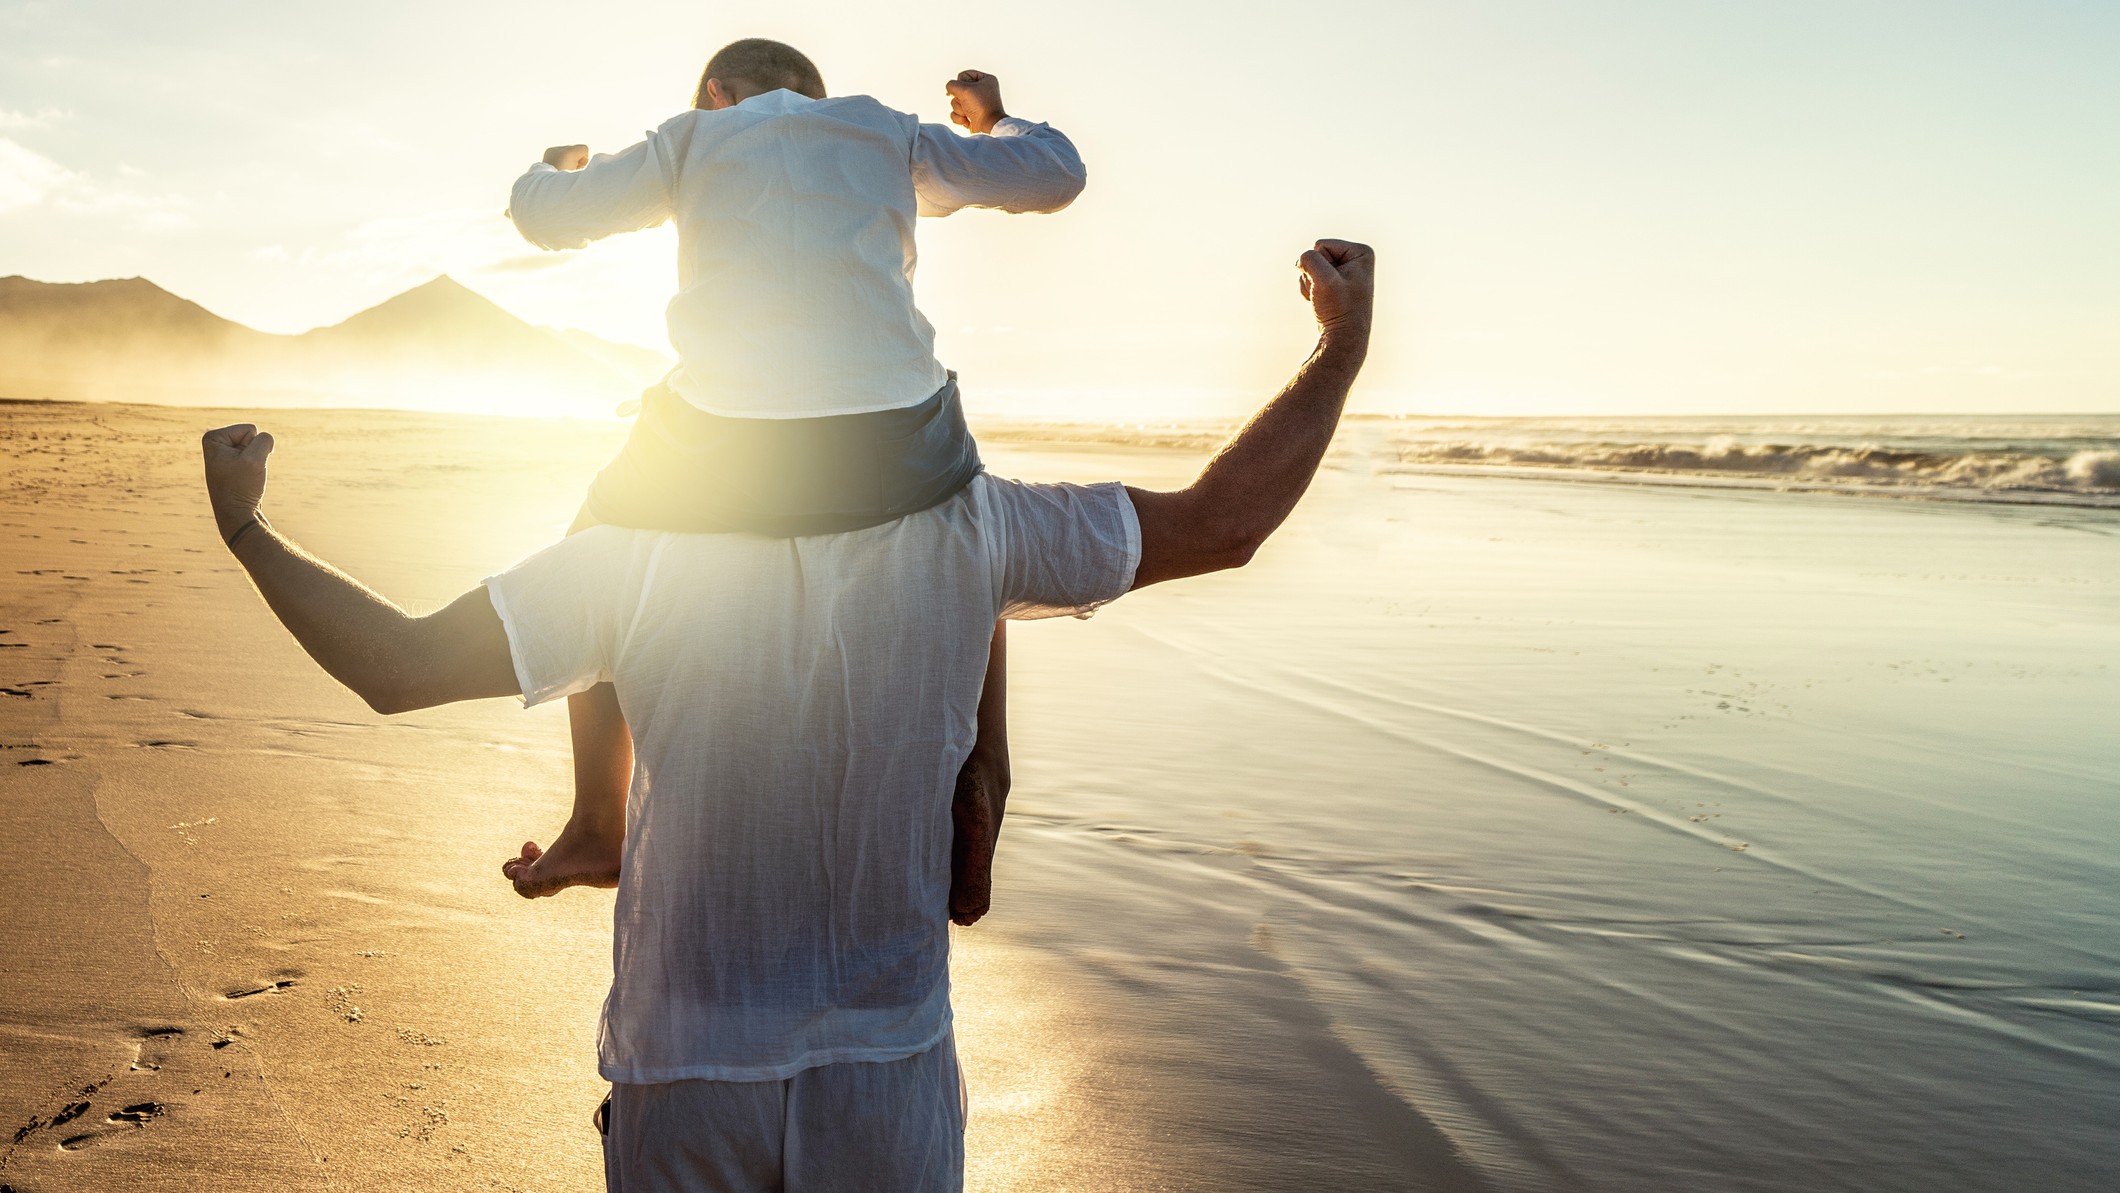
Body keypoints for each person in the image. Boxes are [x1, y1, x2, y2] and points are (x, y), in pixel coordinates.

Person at [200, 239, 1375, 1192]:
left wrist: (246, 525)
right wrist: (1340, 345)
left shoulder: (629, 551)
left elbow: (393, 663)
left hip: (685, 1068)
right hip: (889, 1074)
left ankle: (594, 823)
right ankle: (595, 823)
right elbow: (1225, 522)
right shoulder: (977, 528)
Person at [503, 38, 1088, 915]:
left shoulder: (693, 138)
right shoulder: (883, 131)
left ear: (717, 91)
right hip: (899, 443)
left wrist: (558, 166)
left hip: (726, 445)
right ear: (817, 95)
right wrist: (993, 115)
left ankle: (597, 821)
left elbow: (543, 215)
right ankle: (986, 763)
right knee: (972, 523)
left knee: (594, 543)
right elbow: (1055, 175)